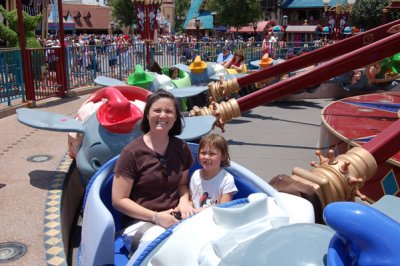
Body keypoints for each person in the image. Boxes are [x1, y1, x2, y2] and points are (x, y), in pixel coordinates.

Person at [112, 89, 195, 259]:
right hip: (141, 221)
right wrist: (156, 217)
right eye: (157, 110)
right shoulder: (132, 153)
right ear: (147, 115)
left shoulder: (181, 148)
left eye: (169, 111)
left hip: (174, 216)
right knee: (162, 246)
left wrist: (184, 200)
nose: (163, 115)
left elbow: (182, 184)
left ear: (175, 117)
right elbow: (118, 200)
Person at [190, 134, 238, 211]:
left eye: (212, 154)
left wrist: (199, 212)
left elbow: (223, 208)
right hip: (194, 217)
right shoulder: (196, 175)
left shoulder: (227, 179)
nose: (206, 157)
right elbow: (191, 199)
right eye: (203, 153)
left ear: (223, 156)